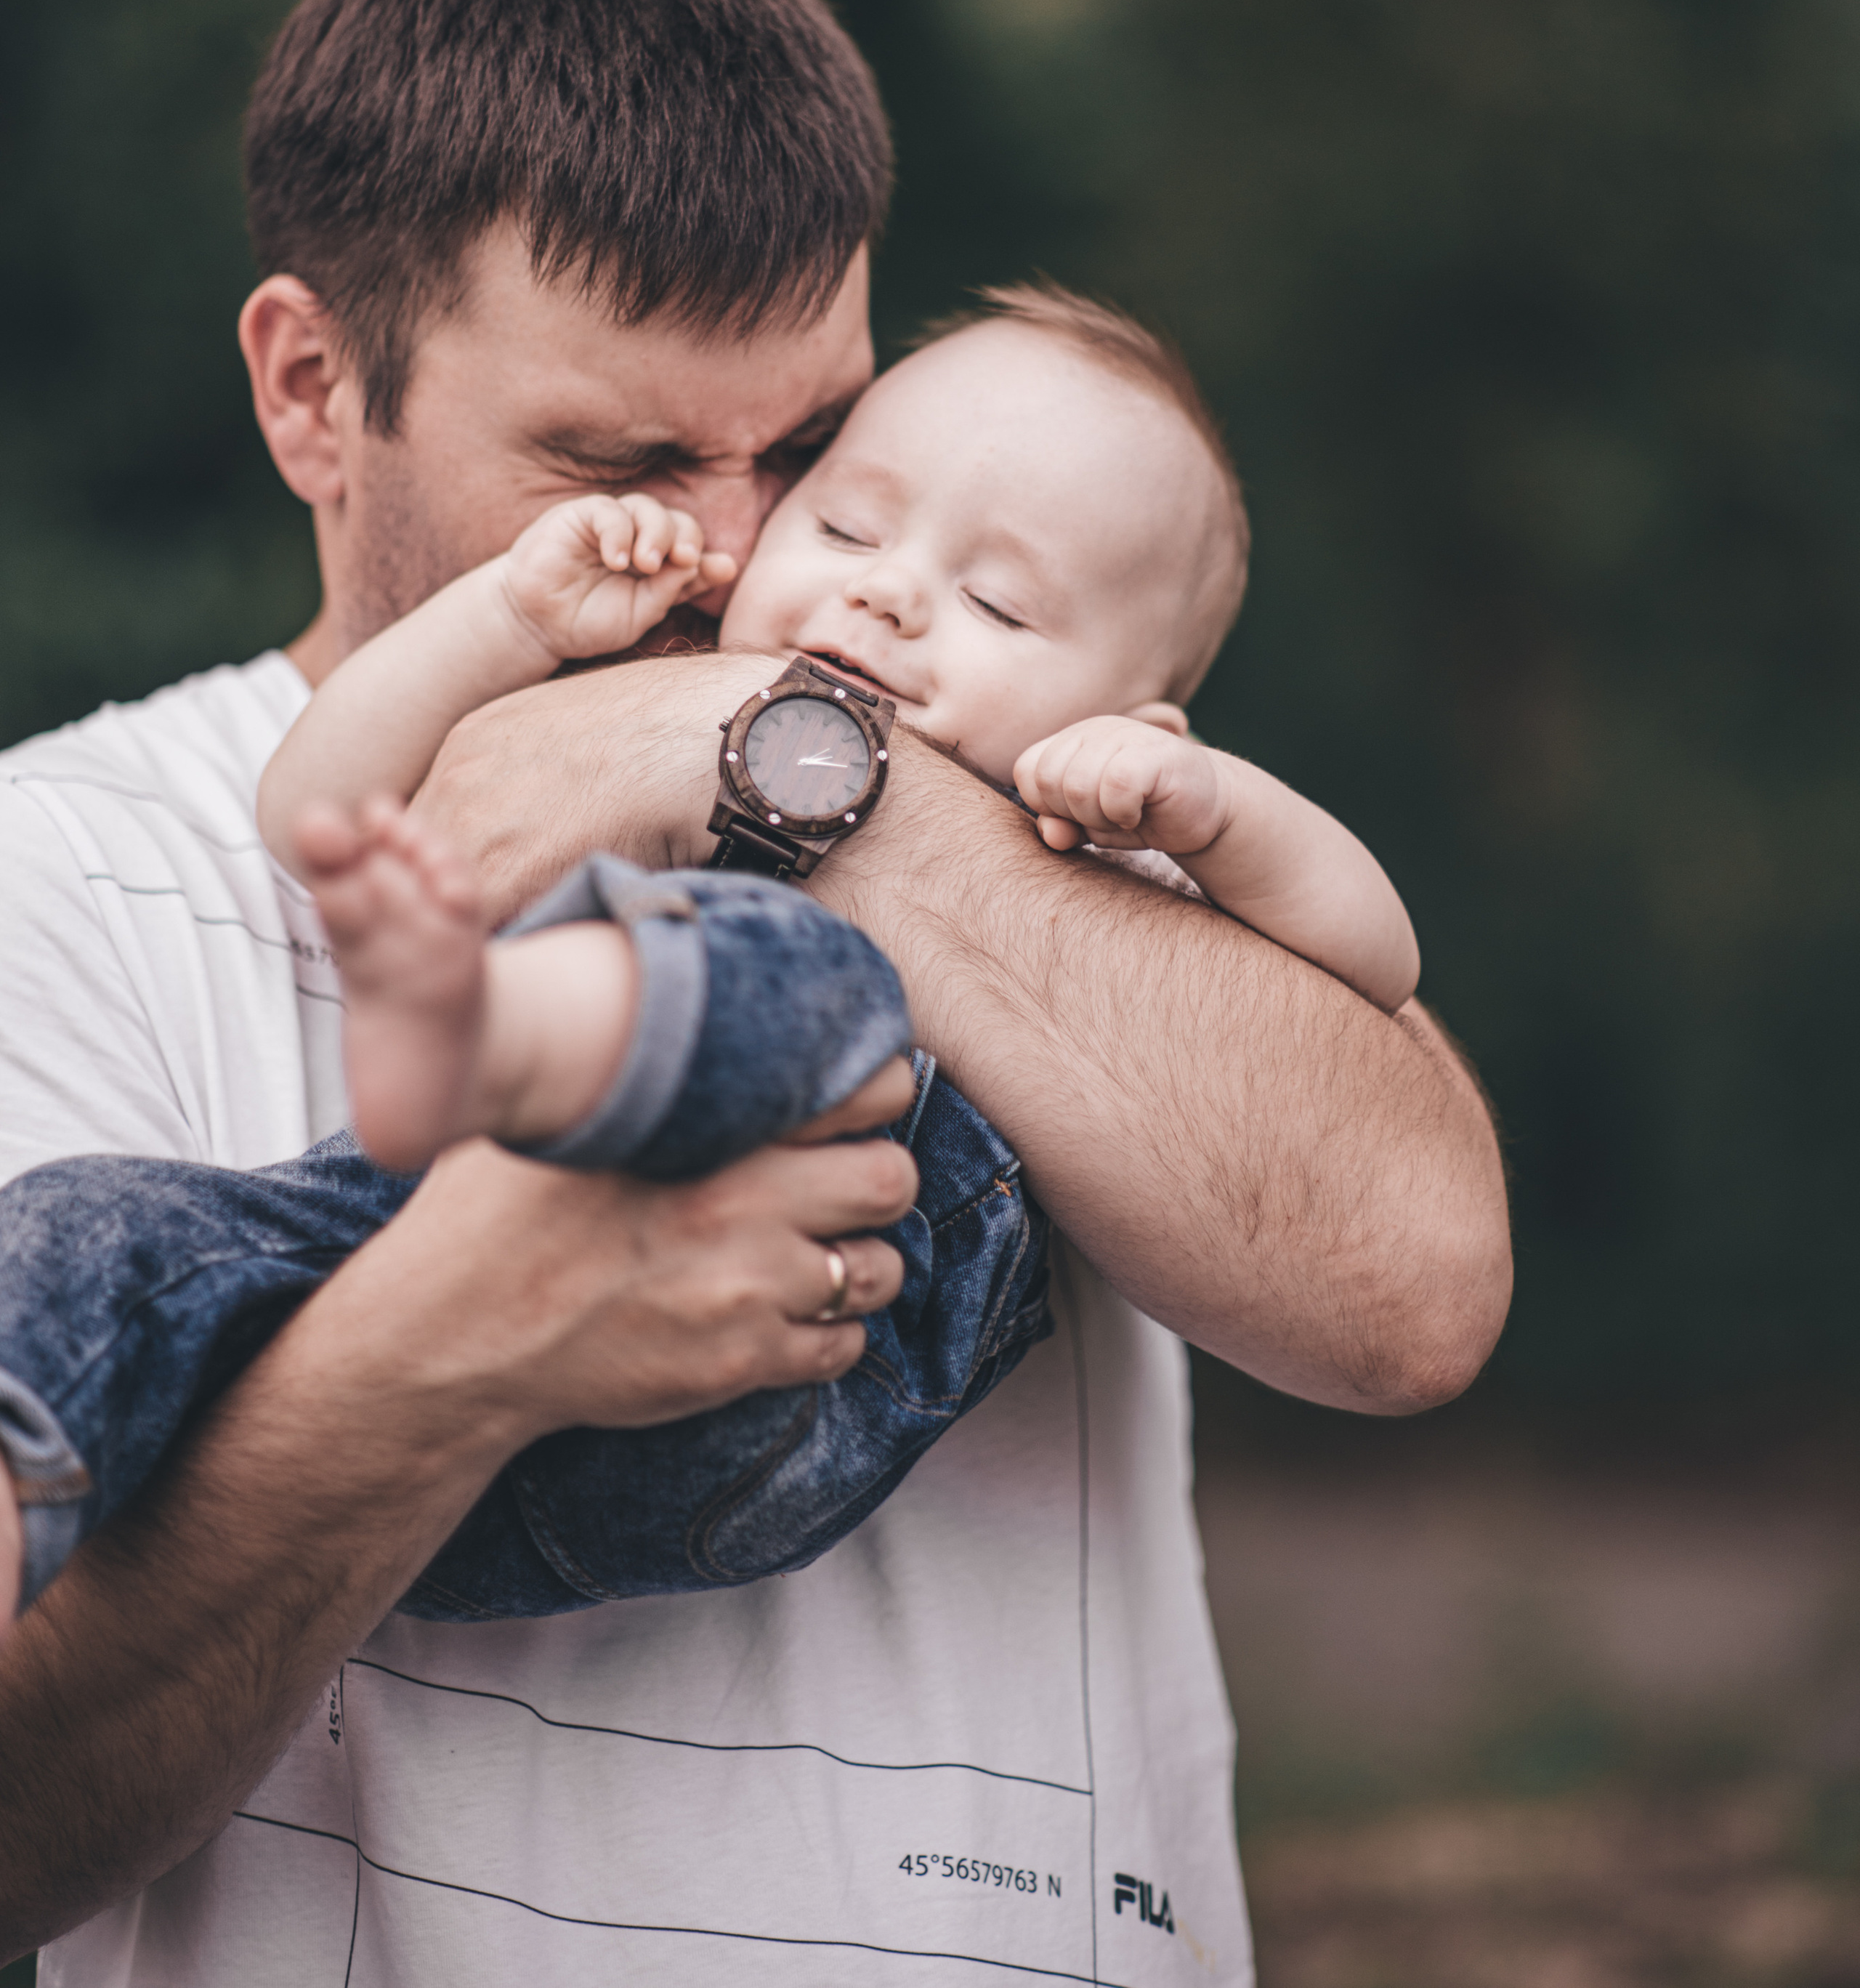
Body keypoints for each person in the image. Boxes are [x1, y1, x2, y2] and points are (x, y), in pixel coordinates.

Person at [0, 0, 1510, 1986]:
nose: (737, 557)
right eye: (616, 454)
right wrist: (459, 1341)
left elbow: (1411, 1292)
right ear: (314, 389)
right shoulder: (65, 871)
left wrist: (769, 752)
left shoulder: (1021, 790)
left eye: (806, 446)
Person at [0, 283, 1420, 1631]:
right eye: (844, 527)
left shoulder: (1093, 838)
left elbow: (1376, 963)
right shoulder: (610, 713)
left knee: (781, 969)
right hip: (422, 1383)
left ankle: (509, 1034)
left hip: (774, 1400)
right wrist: (511, 619)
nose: (889, 596)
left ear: (1134, 719)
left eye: (999, 606)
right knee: (119, 1234)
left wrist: (1223, 817)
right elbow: (315, 815)